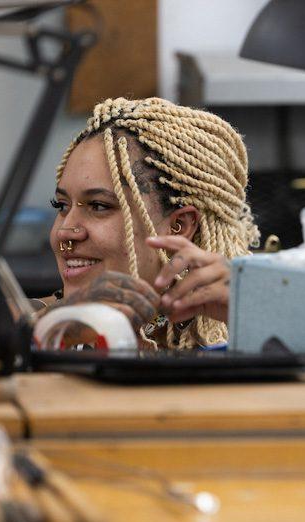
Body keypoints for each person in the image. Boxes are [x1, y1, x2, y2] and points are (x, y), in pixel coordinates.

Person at [37, 97, 259, 349]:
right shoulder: (30, 328)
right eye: (62, 206)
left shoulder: (251, 344)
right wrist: (48, 327)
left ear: (179, 227)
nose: (65, 231)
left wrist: (258, 317)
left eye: (99, 206)